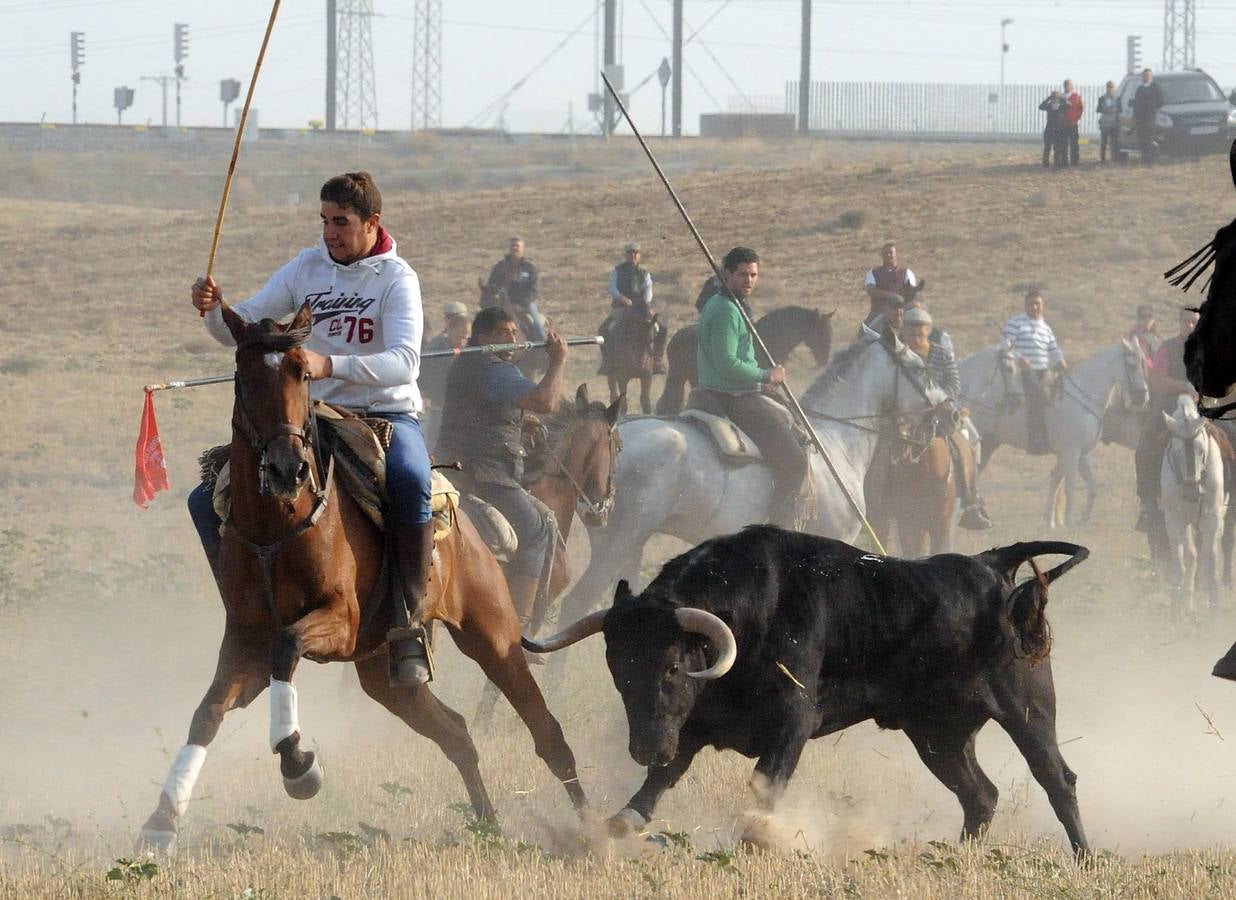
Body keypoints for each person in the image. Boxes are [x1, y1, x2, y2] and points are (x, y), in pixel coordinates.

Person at [188, 171, 436, 686]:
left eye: (340, 222)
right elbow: (244, 328)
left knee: (412, 481)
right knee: (204, 496)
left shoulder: (396, 278)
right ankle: (247, 609)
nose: (329, 233)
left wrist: (330, 365)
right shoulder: (307, 267)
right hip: (313, 416)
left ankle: (407, 623)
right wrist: (213, 311)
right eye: (324, 221)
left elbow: (405, 362)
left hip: (385, 413)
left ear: (372, 222)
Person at [434, 307, 568, 622]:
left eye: (514, 332)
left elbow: (476, 417)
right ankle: (518, 623)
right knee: (536, 532)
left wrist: (517, 424)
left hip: (456, 464)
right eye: (503, 332)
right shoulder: (493, 368)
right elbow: (545, 402)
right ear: (484, 338)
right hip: (485, 473)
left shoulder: (467, 365)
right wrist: (559, 360)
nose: (512, 338)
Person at [696, 246, 809, 530]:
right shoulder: (726, 310)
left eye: (753, 275)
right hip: (732, 397)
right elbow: (727, 364)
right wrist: (766, 375)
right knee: (795, 461)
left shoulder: (728, 304)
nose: (749, 280)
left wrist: (759, 382)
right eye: (743, 274)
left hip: (738, 389)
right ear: (727, 274)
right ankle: (778, 529)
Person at [903, 306, 993, 530]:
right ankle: (873, 501)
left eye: (921, 327)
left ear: (928, 329)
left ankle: (971, 500)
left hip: (939, 412)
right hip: (904, 413)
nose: (916, 332)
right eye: (911, 327)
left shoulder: (942, 354)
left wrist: (938, 400)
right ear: (904, 330)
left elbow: (953, 383)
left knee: (971, 439)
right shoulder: (898, 354)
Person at [1134, 306, 1201, 532]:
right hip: (1169, 411)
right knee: (1145, 447)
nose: (1190, 325)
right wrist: (1184, 386)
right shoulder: (1167, 348)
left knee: (1231, 439)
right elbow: (1156, 381)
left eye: (1194, 322)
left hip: (1203, 412)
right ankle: (1148, 503)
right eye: (1186, 321)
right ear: (1179, 323)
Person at [1002, 290, 1067, 455]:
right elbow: (1006, 345)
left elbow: (1053, 349)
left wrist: (1060, 360)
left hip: (1044, 372)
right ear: (1025, 306)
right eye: (1031, 304)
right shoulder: (1015, 323)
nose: (1035, 307)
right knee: (1039, 397)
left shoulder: (1046, 328)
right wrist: (1019, 358)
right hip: (1021, 372)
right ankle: (1036, 440)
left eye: (1038, 304)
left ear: (1043, 306)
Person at [599, 241, 667, 374]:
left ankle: (657, 360)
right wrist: (621, 298)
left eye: (636, 253)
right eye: (630, 253)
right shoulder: (617, 271)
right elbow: (612, 288)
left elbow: (648, 290)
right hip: (621, 308)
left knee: (662, 329)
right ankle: (607, 361)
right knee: (604, 329)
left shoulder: (644, 273)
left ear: (639, 255)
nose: (633, 256)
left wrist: (643, 303)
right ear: (626, 255)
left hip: (641, 309)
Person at [418, 301, 471, 450]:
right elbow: (426, 377)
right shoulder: (435, 350)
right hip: (439, 408)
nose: (462, 342)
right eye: (459, 337)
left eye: (466, 338)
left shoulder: (471, 349)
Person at [486, 236, 546, 341]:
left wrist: (522, 304)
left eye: (517, 246)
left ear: (523, 249)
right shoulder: (500, 267)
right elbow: (491, 285)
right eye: (512, 245)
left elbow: (533, 290)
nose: (514, 248)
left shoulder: (529, 268)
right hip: (502, 304)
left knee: (537, 325)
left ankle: (542, 345)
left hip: (525, 305)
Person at [863, 242, 916, 328]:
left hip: (901, 311)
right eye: (885, 253)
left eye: (891, 252)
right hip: (879, 312)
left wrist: (901, 301)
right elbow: (870, 289)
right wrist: (891, 296)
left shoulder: (906, 273)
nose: (888, 255)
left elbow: (912, 291)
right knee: (865, 331)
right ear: (881, 256)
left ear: (896, 254)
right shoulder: (873, 272)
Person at [1132, 69, 1163, 166]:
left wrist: (1151, 107)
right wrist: (1135, 116)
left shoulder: (1155, 88)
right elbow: (1136, 103)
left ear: (1151, 77)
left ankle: (1150, 161)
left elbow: (1160, 101)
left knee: (1149, 140)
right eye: (1144, 75)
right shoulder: (1140, 89)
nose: (1146, 77)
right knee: (1142, 140)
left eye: (1148, 75)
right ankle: (1144, 160)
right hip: (1140, 119)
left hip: (1150, 118)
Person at [1038, 90, 1069, 168]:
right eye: (1053, 97)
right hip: (1049, 128)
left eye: (1056, 97)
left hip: (1059, 129)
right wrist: (1048, 99)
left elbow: (1069, 105)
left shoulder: (1062, 106)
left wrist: (1062, 98)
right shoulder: (1049, 106)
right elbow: (1041, 107)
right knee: (1047, 147)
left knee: (1057, 147)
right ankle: (1045, 163)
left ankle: (1056, 163)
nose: (1055, 99)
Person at [1096, 81, 1121, 164]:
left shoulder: (1118, 99)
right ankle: (1102, 159)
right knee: (1104, 142)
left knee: (1114, 142)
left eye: (1112, 87)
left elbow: (1120, 109)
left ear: (1114, 88)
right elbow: (1098, 109)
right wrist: (1105, 110)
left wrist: (1114, 110)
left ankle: (1114, 159)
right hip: (1105, 123)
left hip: (1114, 122)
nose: (1110, 89)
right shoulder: (1102, 98)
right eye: (1109, 87)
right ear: (1106, 88)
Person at [1062, 79, 1084, 166]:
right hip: (1063, 124)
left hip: (1073, 124)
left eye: (1069, 85)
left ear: (1072, 86)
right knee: (1063, 143)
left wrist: (1076, 118)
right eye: (1066, 85)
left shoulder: (1076, 96)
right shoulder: (1061, 97)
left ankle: (1075, 160)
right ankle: (1064, 161)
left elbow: (1080, 108)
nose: (1067, 86)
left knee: (1074, 143)